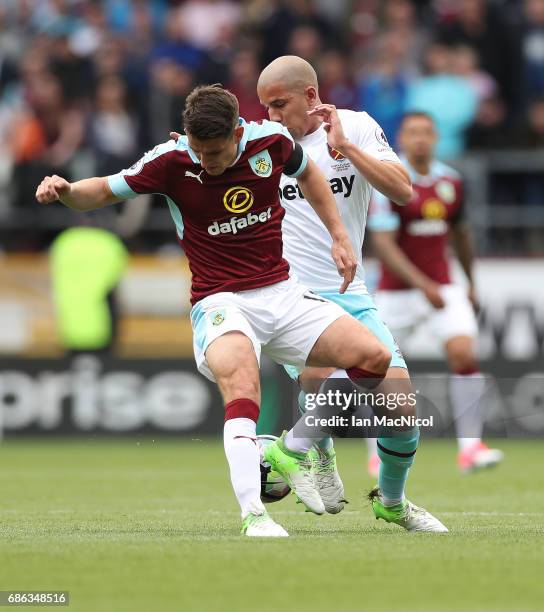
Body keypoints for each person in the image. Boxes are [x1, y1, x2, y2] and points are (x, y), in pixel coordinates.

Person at [36, 84, 399, 538]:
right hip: (221, 301)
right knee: (244, 387)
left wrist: (339, 235)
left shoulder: (272, 142)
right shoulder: (169, 160)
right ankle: (254, 514)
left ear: (237, 132)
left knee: (375, 358)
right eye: (198, 149)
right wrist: (67, 190)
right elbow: (104, 191)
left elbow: (309, 175)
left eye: (215, 151)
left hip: (281, 292)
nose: (206, 160)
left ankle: (293, 447)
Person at [257, 56, 447, 532]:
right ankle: (308, 452)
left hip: (351, 293)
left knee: (402, 409)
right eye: (266, 106)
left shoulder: (356, 127)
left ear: (311, 96)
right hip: (290, 297)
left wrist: (346, 149)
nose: (273, 115)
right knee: (321, 379)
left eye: (279, 104)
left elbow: (403, 190)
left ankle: (392, 501)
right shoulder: (260, 144)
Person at [367, 111, 503, 473]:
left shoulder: (452, 182)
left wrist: (470, 282)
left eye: (427, 132)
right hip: (395, 293)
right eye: (413, 133)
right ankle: (373, 453)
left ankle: (471, 449)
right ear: (401, 138)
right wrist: (422, 285)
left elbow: (460, 235)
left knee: (463, 353)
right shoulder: (391, 181)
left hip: (443, 287)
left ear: (436, 137)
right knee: (376, 370)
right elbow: (383, 244)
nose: (420, 139)